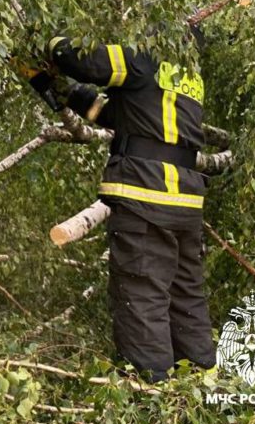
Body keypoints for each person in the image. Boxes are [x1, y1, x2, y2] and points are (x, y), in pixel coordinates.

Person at [27, 33, 216, 382]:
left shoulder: (144, 58)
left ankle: (151, 396)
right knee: (185, 297)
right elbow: (122, 115)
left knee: (142, 299)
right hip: (185, 202)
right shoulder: (187, 77)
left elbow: (83, 58)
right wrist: (65, 93)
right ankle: (201, 386)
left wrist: (47, 40)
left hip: (146, 196)